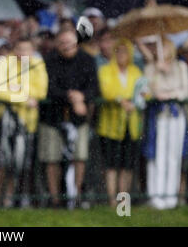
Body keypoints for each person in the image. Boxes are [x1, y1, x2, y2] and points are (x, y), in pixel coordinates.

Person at [38, 28, 99, 208]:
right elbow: (47, 87)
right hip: (52, 117)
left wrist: (82, 98)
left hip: (78, 119)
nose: (67, 46)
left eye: (70, 43)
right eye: (63, 43)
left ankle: (76, 196)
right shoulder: (48, 60)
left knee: (79, 156)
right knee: (52, 158)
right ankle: (55, 198)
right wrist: (70, 97)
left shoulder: (87, 60)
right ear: (57, 44)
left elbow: (94, 87)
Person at [0, 37, 48, 208]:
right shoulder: (3, 63)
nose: (23, 53)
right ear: (14, 49)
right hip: (3, 121)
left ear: (32, 51)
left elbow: (41, 92)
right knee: (2, 162)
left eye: (27, 50)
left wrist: (13, 89)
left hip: (27, 122)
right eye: (20, 49)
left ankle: (8, 199)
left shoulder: (38, 65)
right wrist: (23, 97)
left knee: (19, 163)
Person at [140, 38, 188, 209]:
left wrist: (171, 94)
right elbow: (145, 91)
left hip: (176, 115)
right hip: (158, 115)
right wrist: (157, 75)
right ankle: (156, 195)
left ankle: (171, 196)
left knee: (174, 156)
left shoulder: (181, 67)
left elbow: (185, 91)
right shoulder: (151, 68)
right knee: (158, 155)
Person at [97, 38, 143, 207]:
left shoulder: (135, 71)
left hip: (130, 125)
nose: (122, 54)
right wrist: (121, 100)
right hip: (111, 124)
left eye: (125, 51)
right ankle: (111, 201)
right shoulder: (106, 70)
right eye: (119, 50)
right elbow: (106, 90)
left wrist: (135, 102)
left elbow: (144, 92)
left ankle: (123, 202)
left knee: (127, 165)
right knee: (111, 164)